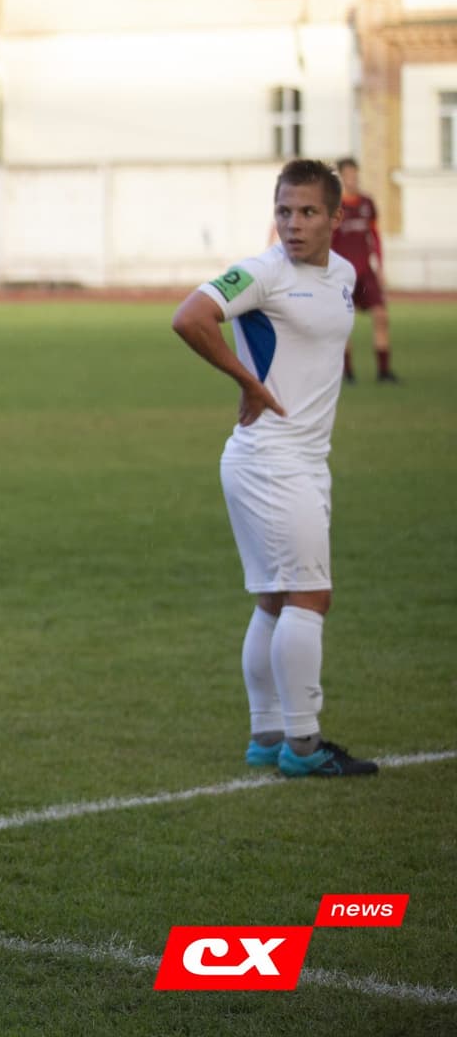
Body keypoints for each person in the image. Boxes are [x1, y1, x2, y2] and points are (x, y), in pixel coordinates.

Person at [170, 159, 378, 779]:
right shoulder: (262, 271)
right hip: (270, 458)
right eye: (284, 210)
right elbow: (189, 317)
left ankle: (266, 736)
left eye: (308, 212)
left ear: (335, 217)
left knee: (274, 598)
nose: (293, 224)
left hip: (305, 458)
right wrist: (245, 380)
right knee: (311, 596)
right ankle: (304, 745)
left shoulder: (340, 273)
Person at [330, 158, 398, 384]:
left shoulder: (367, 203)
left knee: (381, 315)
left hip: (365, 271)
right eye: (348, 174)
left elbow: (375, 236)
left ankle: (384, 371)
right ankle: (347, 373)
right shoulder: (334, 206)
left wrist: (379, 266)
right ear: (341, 177)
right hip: (342, 272)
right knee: (344, 322)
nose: (353, 178)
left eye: (355, 174)